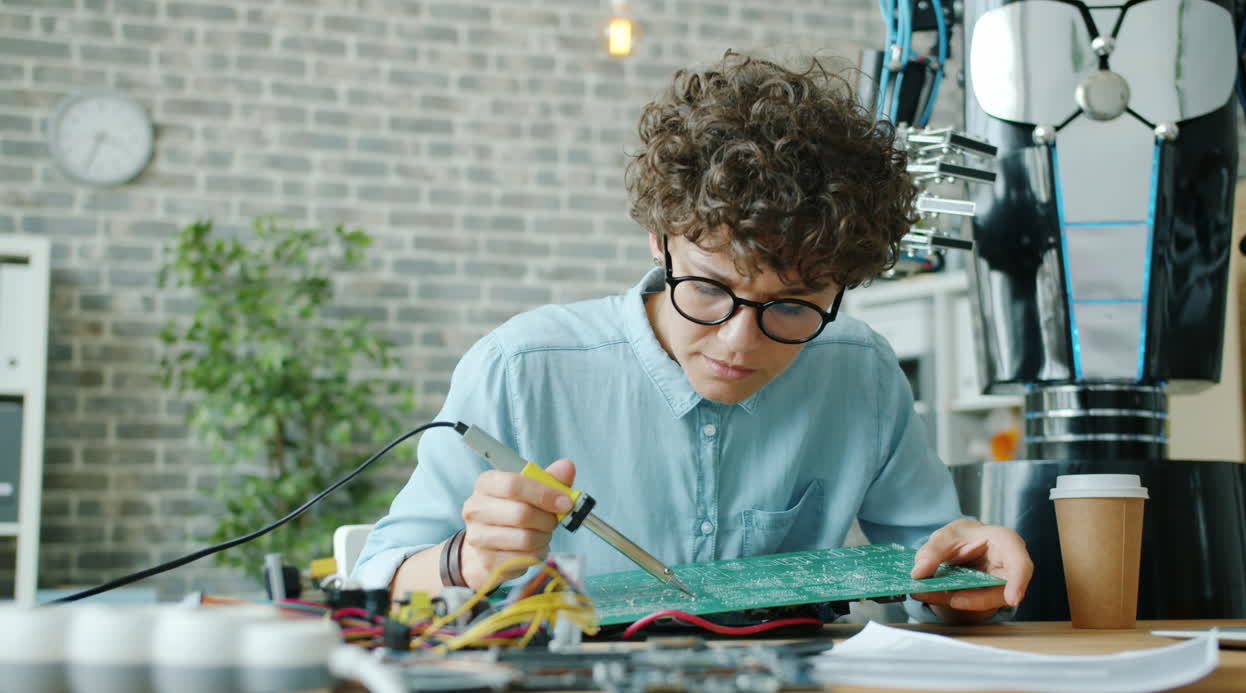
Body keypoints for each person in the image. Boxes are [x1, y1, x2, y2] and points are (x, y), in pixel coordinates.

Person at [352, 50, 1032, 624]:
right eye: (709, 289)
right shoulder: (521, 369)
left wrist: (967, 575)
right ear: (660, 239)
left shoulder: (862, 373)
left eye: (791, 308)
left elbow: (933, 571)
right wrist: (464, 562)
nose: (738, 343)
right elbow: (373, 583)